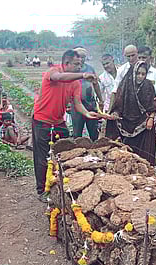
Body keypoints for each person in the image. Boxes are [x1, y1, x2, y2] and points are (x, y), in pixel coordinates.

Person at [32, 50, 102, 202]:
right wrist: (83, 75)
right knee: (43, 157)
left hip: (58, 122)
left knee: (65, 153)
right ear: (66, 63)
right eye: (76, 64)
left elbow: (77, 103)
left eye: (81, 64)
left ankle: (60, 185)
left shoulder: (75, 83)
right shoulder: (54, 72)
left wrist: (87, 114)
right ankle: (42, 190)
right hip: (42, 120)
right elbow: (60, 78)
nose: (79, 67)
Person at [110, 61, 156, 165]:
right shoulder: (125, 85)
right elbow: (118, 104)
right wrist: (115, 114)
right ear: (133, 73)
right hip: (126, 123)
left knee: (144, 155)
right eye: (138, 73)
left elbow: (153, 106)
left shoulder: (148, 85)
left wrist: (151, 119)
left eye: (143, 74)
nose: (140, 76)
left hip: (144, 124)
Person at [105, 45, 139, 140]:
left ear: (137, 54)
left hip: (141, 112)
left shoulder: (144, 69)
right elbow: (115, 91)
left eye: (133, 55)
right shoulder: (122, 70)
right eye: (128, 56)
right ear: (125, 56)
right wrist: (110, 111)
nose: (131, 58)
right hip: (126, 110)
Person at [71, 47, 103, 141]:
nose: (81, 59)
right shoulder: (72, 70)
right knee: (77, 133)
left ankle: (95, 151)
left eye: (83, 57)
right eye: (79, 57)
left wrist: (101, 100)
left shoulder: (90, 68)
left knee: (94, 131)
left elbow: (95, 84)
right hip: (76, 104)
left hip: (90, 103)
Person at [137, 46, 156, 131]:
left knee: (148, 141)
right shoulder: (132, 74)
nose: (142, 60)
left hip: (150, 116)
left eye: (144, 57)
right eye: (139, 57)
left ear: (151, 58)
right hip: (135, 116)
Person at [98, 54, 117, 136]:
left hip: (123, 108)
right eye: (104, 64)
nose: (106, 66)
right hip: (109, 109)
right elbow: (100, 96)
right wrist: (101, 114)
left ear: (113, 61)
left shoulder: (122, 72)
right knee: (109, 133)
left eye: (107, 63)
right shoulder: (102, 78)